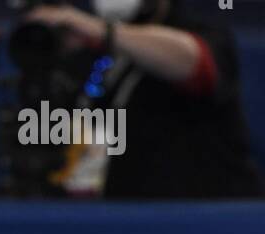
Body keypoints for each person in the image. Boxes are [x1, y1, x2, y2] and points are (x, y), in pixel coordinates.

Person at [26, 0, 264, 198]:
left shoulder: (203, 30)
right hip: (122, 220)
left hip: (205, 224)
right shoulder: (92, 53)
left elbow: (195, 65)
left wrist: (103, 31)